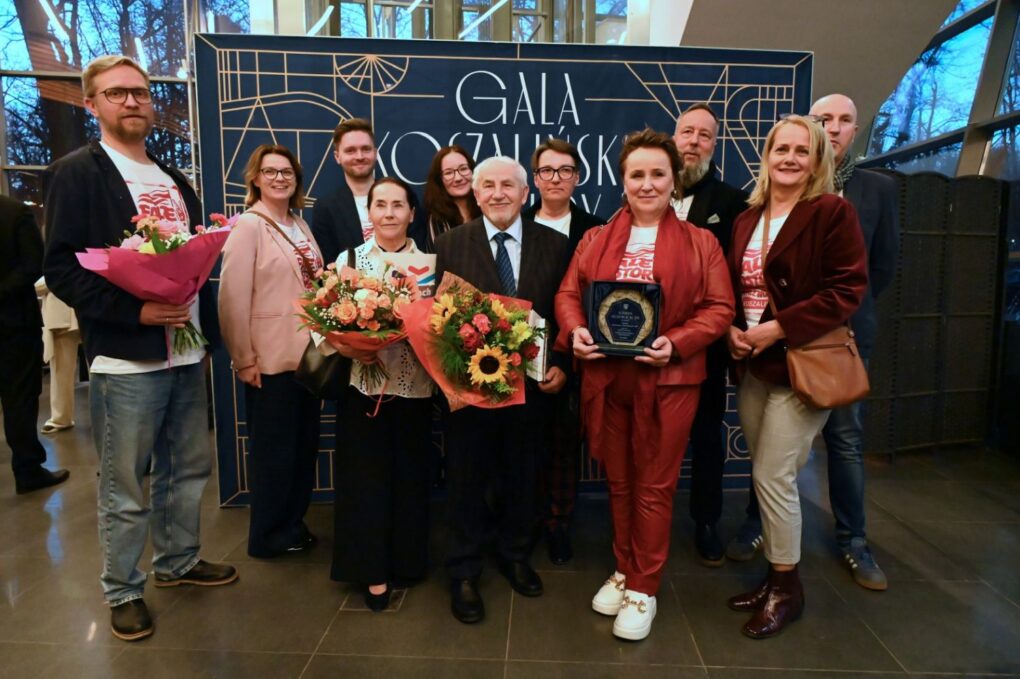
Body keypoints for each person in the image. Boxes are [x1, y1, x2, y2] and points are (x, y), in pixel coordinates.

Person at [43, 55, 237, 642]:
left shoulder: (174, 180)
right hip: (126, 357)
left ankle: (177, 561)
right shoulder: (78, 173)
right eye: (118, 93)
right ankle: (123, 588)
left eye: (142, 93)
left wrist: (201, 335)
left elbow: (197, 264)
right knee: (125, 482)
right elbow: (62, 269)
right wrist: (136, 309)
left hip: (183, 349)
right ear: (92, 103)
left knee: (188, 468)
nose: (133, 102)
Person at [555, 129, 734, 641]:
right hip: (609, 379)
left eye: (658, 174)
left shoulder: (701, 243)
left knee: (654, 485)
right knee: (619, 481)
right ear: (623, 180)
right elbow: (570, 294)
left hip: (671, 380)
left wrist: (676, 342)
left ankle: (644, 588)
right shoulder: (595, 239)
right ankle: (624, 566)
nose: (648, 183)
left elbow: (720, 309)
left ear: (674, 180)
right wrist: (577, 332)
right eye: (637, 174)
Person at [727, 95, 899, 592]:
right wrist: (735, 330)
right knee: (764, 474)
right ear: (767, 156)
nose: (790, 158)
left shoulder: (830, 212)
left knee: (775, 479)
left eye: (802, 151)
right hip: (756, 367)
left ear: (817, 159)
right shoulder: (746, 218)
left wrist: (779, 328)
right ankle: (774, 577)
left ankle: (786, 586)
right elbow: (740, 290)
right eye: (781, 148)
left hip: (803, 364)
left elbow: (849, 289)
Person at [434, 156, 572, 625]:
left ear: (524, 192)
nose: (498, 193)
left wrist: (565, 366)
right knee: (466, 481)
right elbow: (438, 320)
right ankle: (464, 569)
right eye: (488, 185)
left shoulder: (555, 245)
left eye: (507, 186)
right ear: (475, 194)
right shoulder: (450, 244)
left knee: (523, 476)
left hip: (532, 391)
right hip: (470, 396)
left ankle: (516, 554)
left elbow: (566, 313)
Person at [328, 177, 433, 612]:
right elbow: (324, 323)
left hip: (416, 389)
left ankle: (407, 560)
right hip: (363, 387)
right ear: (369, 212)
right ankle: (371, 570)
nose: (389, 213)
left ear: (412, 213)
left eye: (398, 205)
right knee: (365, 481)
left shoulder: (430, 265)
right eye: (381, 204)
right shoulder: (350, 260)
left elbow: (437, 326)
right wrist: (353, 344)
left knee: (411, 477)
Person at [219, 144, 322, 559]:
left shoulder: (301, 224)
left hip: (309, 361)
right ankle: (267, 536)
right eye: (271, 171)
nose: (280, 178)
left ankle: (292, 524)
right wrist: (243, 358)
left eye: (287, 172)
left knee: (302, 449)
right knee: (274, 454)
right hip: (269, 361)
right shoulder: (249, 226)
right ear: (256, 179)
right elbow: (231, 298)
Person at [671, 104, 750, 567]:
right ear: (674, 137)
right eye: (687, 132)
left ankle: (705, 521)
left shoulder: (733, 203)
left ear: (714, 145)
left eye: (705, 135)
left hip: (706, 345)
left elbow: (740, 276)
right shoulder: (645, 194)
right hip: (649, 341)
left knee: (705, 435)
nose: (695, 141)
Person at [522, 138, 605, 565]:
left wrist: (563, 363)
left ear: (577, 177)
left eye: (564, 170)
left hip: (573, 355)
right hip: (514, 360)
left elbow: (601, 300)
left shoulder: (598, 229)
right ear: (534, 179)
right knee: (522, 447)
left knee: (562, 445)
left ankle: (558, 524)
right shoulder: (513, 224)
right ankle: (525, 521)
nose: (555, 178)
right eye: (546, 171)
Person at [0, 195, 70, 494]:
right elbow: (32, 266)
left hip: (15, 323)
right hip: (14, 322)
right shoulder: (15, 212)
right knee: (20, 398)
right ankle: (27, 470)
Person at [311, 118, 378, 264]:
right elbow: (329, 268)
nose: (359, 156)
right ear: (337, 157)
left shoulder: (402, 196)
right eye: (350, 150)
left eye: (366, 149)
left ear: (375, 153)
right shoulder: (325, 208)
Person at [35, 278, 80, 435]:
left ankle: (106, 415)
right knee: (61, 369)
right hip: (61, 312)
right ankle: (61, 418)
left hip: (89, 304)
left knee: (100, 369)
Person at [421, 144, 481, 253]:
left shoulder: (488, 210)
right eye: (448, 173)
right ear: (440, 180)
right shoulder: (436, 219)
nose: (458, 178)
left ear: (473, 171)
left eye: (463, 169)